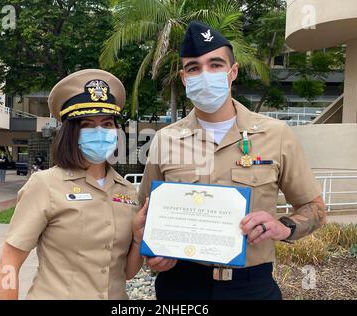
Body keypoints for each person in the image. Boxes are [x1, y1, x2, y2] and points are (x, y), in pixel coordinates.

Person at [138, 21, 326, 300]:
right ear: (184, 78)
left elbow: (315, 209)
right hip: (180, 284)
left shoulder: (276, 135)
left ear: (232, 71)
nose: (204, 74)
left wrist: (282, 226)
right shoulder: (166, 139)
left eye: (215, 65)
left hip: (251, 285)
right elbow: (144, 213)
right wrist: (151, 254)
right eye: (193, 68)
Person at [0, 69, 147, 300]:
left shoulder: (126, 190)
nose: (100, 132)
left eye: (107, 124)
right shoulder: (45, 185)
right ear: (71, 133)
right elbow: (9, 262)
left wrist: (137, 238)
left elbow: (126, 273)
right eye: (88, 124)